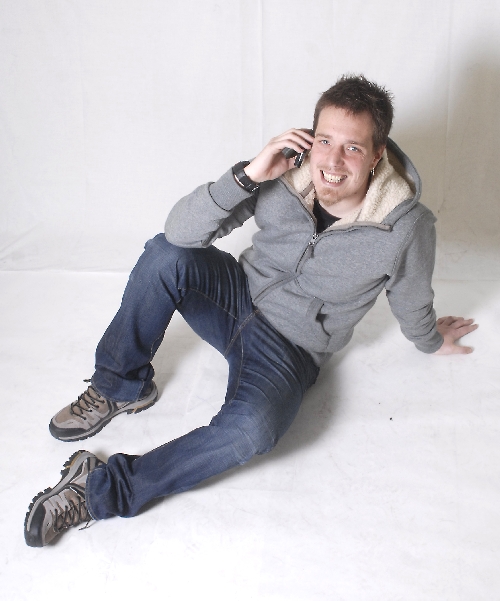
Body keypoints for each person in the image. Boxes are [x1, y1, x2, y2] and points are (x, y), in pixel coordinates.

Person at [24, 74, 478, 547]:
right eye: (325, 140)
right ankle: (120, 386)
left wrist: (430, 340)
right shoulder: (285, 172)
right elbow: (179, 233)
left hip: (291, 350)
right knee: (165, 255)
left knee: (253, 429)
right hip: (234, 295)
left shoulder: (405, 227)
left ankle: (98, 488)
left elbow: (410, 296)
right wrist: (247, 175)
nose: (332, 161)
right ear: (311, 136)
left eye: (352, 148)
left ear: (377, 154)